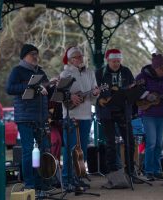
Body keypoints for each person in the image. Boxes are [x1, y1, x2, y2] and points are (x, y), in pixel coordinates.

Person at [6, 43, 57, 189]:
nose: (35, 56)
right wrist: (32, 86)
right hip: (25, 117)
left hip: (41, 117)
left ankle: (41, 181)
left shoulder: (40, 71)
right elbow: (10, 89)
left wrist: (52, 85)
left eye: (36, 53)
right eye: (32, 54)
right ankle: (29, 184)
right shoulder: (18, 71)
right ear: (24, 56)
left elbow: (47, 91)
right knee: (28, 151)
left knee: (42, 150)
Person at [95, 48, 138, 181]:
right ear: (108, 60)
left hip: (123, 111)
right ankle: (113, 173)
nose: (116, 64)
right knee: (110, 143)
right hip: (106, 112)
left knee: (129, 141)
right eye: (113, 61)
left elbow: (133, 89)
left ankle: (130, 171)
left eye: (118, 61)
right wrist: (99, 99)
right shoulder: (100, 73)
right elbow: (93, 90)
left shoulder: (126, 72)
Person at [60, 46, 100, 188]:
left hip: (86, 115)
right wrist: (71, 96)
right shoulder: (65, 74)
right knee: (70, 148)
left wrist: (96, 93)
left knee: (82, 149)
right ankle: (66, 179)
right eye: (76, 57)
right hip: (71, 115)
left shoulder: (90, 73)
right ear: (70, 60)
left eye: (80, 56)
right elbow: (60, 94)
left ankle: (78, 177)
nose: (79, 59)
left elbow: (94, 92)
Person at [135, 53, 163, 181]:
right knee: (151, 143)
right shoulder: (142, 77)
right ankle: (148, 170)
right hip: (148, 113)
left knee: (159, 144)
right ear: (154, 68)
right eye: (161, 68)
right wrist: (147, 96)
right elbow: (136, 92)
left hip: (161, 113)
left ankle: (157, 170)